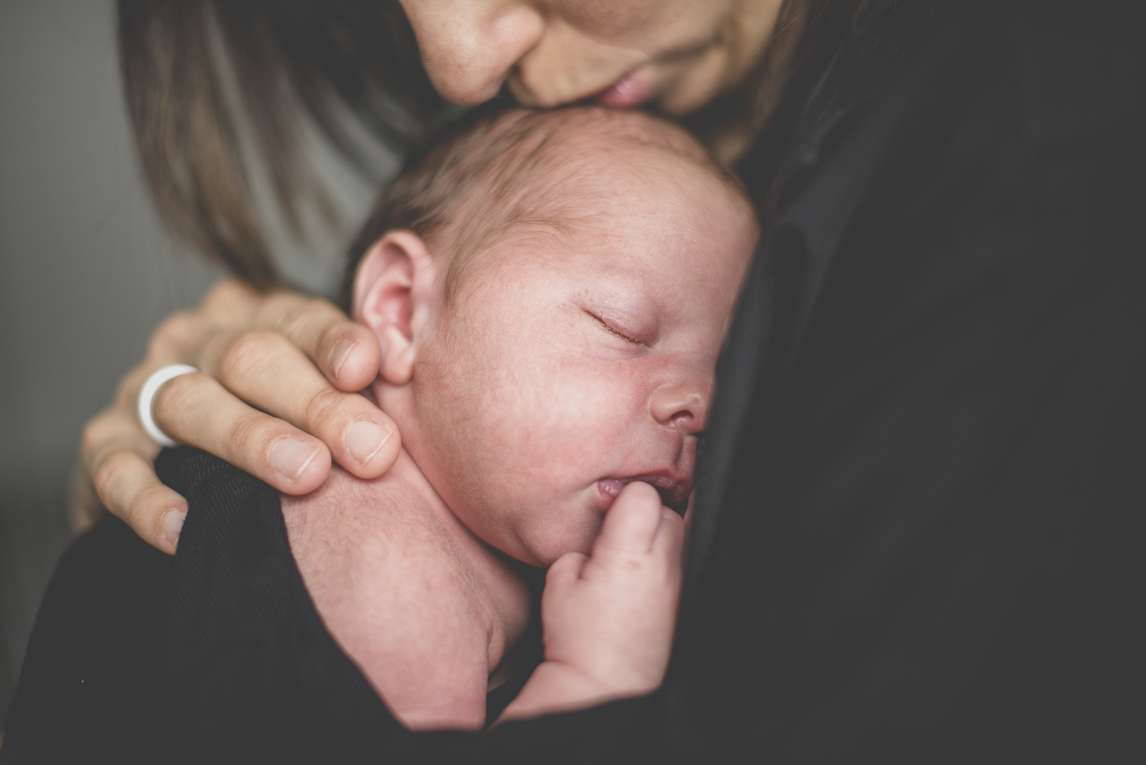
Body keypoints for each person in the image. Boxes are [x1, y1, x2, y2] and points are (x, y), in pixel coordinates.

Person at [37, 0, 1146, 759]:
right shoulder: (608, 133)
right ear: (394, 306)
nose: (463, 64)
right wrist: (202, 411)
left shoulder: (1021, 170)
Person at [1, 104, 757, 758]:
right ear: (400, 310)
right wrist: (596, 681)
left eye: (725, 374)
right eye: (625, 327)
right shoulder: (382, 549)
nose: (693, 401)